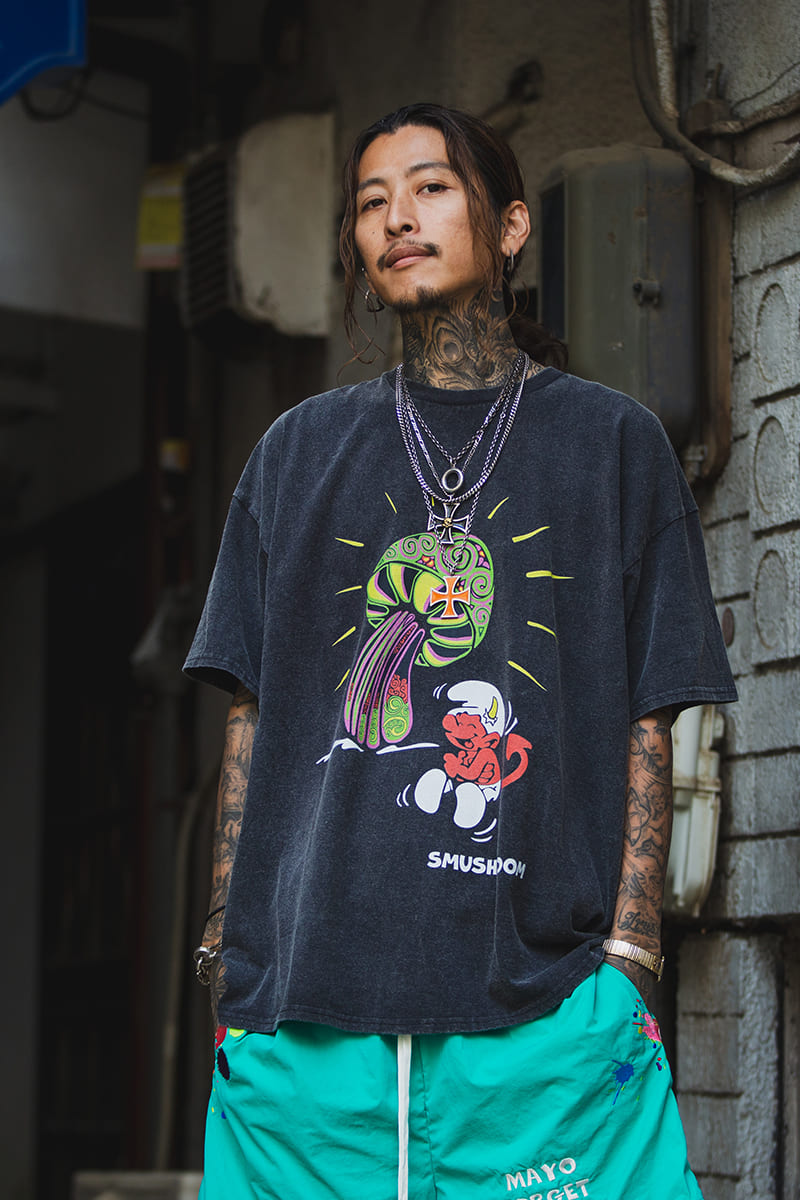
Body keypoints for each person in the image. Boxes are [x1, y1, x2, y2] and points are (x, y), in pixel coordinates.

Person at [185, 102, 737, 1200]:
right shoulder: (295, 454)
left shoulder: (611, 445)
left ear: (512, 225)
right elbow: (249, 710)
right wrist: (223, 957)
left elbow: (653, 707)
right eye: (371, 201)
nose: (398, 217)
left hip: (543, 1028)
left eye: (431, 187)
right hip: (306, 1031)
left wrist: (629, 956)